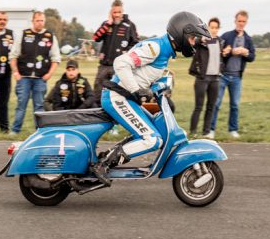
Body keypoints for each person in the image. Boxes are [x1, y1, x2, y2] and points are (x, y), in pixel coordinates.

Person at [91, 12, 211, 184]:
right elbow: (121, 63)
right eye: (192, 38)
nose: (194, 43)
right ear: (181, 33)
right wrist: (136, 90)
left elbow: (145, 76)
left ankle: (110, 156)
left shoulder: (165, 51)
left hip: (126, 98)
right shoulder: (155, 48)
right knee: (152, 139)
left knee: (157, 129)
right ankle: (103, 165)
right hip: (117, 97)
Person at [9, 11, 61, 134]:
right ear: (33, 21)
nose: (40, 23)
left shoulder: (50, 36)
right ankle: (15, 131)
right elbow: (13, 56)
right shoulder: (23, 34)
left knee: (39, 106)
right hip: (24, 78)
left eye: (42, 20)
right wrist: (16, 73)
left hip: (40, 79)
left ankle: (39, 132)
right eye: (37, 20)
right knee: (21, 105)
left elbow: (56, 59)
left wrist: (49, 74)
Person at [211, 10, 256, 138]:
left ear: (246, 22)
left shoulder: (248, 39)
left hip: (237, 77)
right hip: (223, 75)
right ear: (235, 21)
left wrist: (246, 53)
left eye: (243, 21)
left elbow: (252, 57)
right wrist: (231, 52)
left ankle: (233, 130)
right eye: (239, 21)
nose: (241, 23)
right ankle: (210, 130)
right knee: (216, 103)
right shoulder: (227, 36)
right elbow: (219, 53)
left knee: (235, 105)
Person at [92, 0, 139, 89]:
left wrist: (126, 53)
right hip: (104, 66)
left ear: (122, 11)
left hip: (120, 67)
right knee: (98, 90)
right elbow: (95, 38)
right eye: (114, 12)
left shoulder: (129, 25)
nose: (117, 15)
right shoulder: (106, 24)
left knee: (118, 92)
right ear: (111, 12)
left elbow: (136, 44)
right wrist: (108, 24)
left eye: (119, 12)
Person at [188, 16, 223, 137]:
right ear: (208, 28)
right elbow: (195, 42)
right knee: (198, 107)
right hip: (202, 78)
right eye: (211, 27)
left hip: (215, 79)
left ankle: (206, 132)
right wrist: (201, 38)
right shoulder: (203, 40)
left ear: (218, 29)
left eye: (216, 28)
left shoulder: (219, 41)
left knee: (211, 107)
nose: (214, 30)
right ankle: (193, 132)